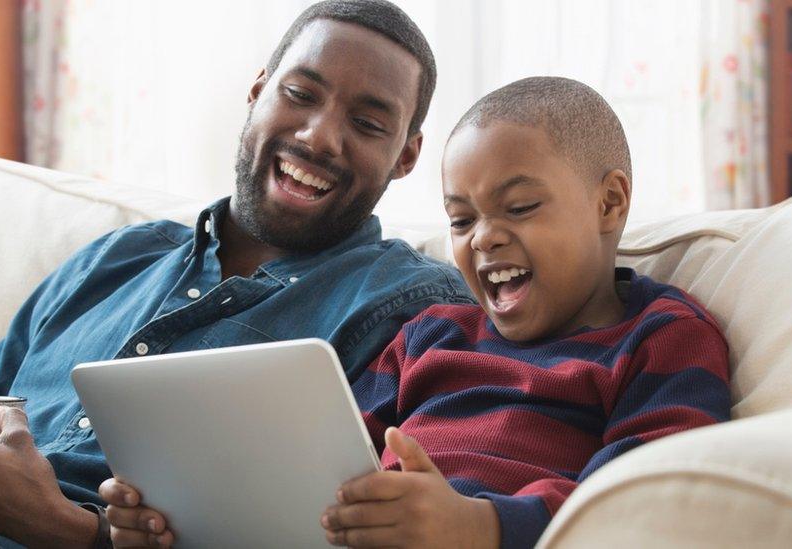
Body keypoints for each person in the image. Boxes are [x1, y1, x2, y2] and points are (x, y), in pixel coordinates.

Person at [0, 1, 474, 547]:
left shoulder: (411, 307)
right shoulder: (118, 255)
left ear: (407, 156)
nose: (319, 137)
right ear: (257, 92)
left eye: (367, 123)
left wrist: (67, 530)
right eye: (300, 95)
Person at [103, 77, 732, 548]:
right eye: (461, 220)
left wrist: (478, 526)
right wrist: (184, 515)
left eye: (517, 208)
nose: (482, 238)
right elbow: (328, 462)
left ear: (610, 202)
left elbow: (644, 503)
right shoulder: (432, 331)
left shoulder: (662, 337)